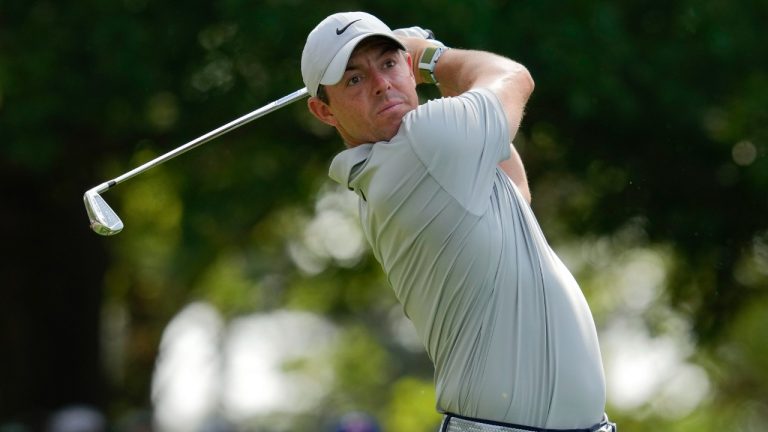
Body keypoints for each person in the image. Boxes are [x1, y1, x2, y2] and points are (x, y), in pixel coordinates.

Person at [301, 11, 616, 432]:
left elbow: (515, 187)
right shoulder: (419, 146)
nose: (381, 84)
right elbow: (513, 77)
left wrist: (425, 65)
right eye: (354, 79)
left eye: (389, 63)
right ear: (324, 111)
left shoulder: (424, 159)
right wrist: (429, 56)